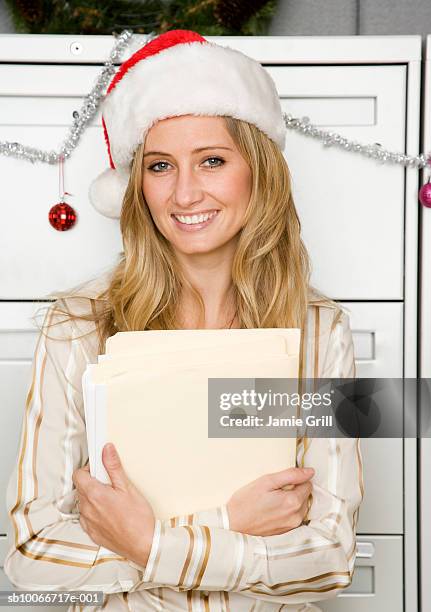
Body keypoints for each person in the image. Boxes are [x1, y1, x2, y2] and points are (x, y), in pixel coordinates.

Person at [3, 29, 364, 611]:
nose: (185, 193)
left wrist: (144, 539)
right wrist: (224, 523)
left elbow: (327, 557)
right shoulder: (77, 325)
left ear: (259, 172)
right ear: (137, 185)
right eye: (161, 166)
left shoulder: (321, 332)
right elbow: (32, 551)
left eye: (213, 161)